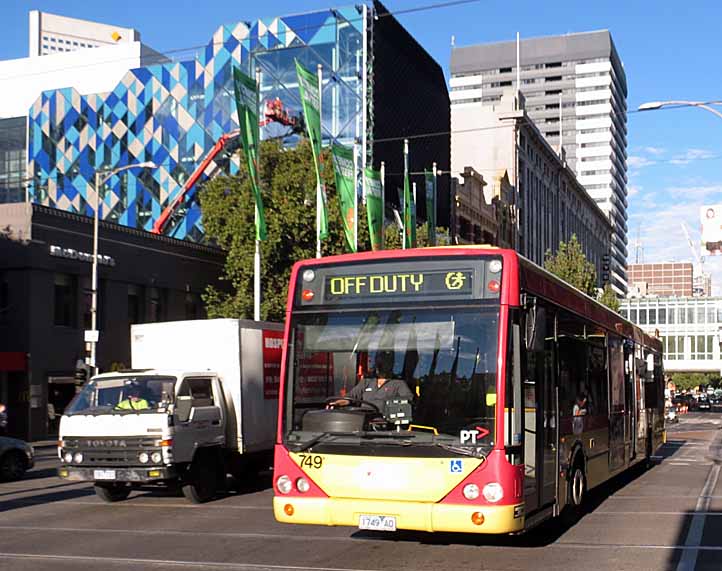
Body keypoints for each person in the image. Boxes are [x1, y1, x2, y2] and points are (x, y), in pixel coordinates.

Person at [330, 351, 413, 412]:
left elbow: (408, 399)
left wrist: (390, 403)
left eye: (384, 365)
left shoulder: (398, 383)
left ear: (390, 366)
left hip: (386, 424)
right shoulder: (366, 382)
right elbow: (351, 396)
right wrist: (338, 403)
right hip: (362, 420)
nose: (379, 368)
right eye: (378, 365)